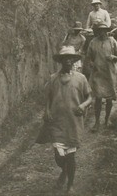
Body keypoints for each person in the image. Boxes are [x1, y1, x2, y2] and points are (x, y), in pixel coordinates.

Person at [36, 46, 93, 194]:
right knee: (59, 157)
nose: (68, 61)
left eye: (70, 58)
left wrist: (83, 105)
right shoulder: (53, 78)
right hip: (56, 122)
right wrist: (47, 109)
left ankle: (70, 185)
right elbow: (47, 97)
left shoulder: (81, 78)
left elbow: (90, 97)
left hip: (73, 122)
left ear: (74, 60)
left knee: (71, 155)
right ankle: (65, 170)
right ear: (61, 61)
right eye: (65, 59)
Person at [86, 22, 117, 131]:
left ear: (106, 31)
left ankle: (107, 119)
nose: (101, 33)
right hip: (97, 73)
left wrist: (113, 57)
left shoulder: (112, 41)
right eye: (99, 30)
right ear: (97, 31)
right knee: (98, 98)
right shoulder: (93, 42)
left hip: (109, 74)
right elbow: (88, 57)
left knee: (109, 98)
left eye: (103, 30)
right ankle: (97, 122)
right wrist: (91, 63)